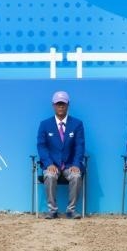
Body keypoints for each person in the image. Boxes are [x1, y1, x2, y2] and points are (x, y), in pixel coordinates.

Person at [36, 90, 86, 219]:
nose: (61, 106)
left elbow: (79, 146)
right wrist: (48, 163)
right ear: (53, 105)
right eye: (58, 104)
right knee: (49, 175)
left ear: (68, 105)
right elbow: (41, 146)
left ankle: (71, 210)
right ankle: (52, 210)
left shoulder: (77, 124)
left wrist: (76, 164)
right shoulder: (45, 124)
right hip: (52, 164)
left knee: (76, 176)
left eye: (63, 103)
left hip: (70, 165)